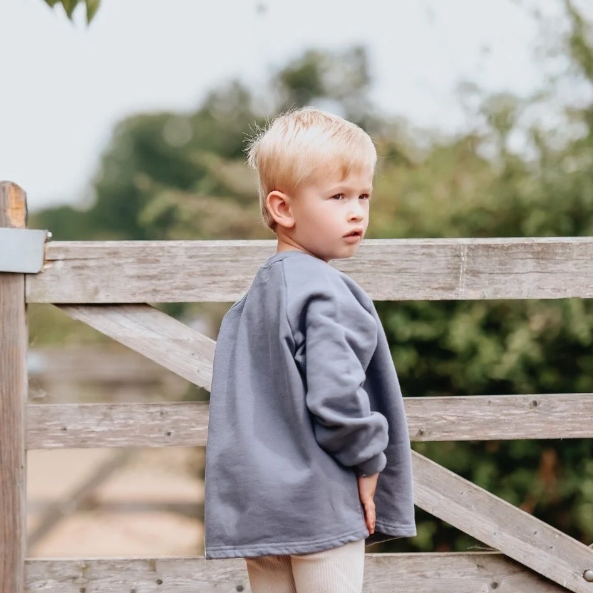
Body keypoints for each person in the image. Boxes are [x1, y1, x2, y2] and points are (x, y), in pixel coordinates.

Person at [203, 106, 416, 592]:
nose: (358, 211)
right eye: (338, 196)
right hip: (320, 500)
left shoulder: (253, 298)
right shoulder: (324, 290)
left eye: (364, 195)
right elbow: (336, 396)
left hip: (261, 507)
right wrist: (368, 461)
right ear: (283, 209)